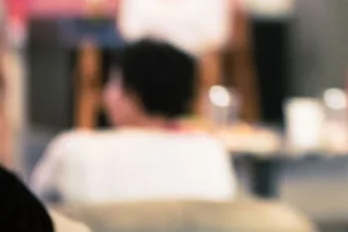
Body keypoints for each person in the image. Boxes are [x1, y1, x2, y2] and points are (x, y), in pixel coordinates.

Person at [30, 39, 237, 204]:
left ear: (131, 94)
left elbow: (32, 208)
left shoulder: (74, 148)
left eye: (112, 82)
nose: (105, 95)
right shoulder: (210, 153)